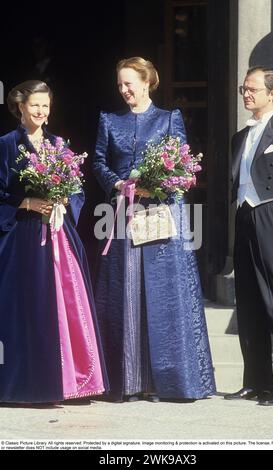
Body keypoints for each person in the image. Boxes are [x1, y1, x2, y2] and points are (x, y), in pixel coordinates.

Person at [93, 57, 216, 402]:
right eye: (120, 84)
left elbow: (182, 162)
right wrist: (118, 185)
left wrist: (159, 186)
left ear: (147, 82)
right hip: (122, 211)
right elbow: (99, 162)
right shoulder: (109, 120)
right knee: (126, 290)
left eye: (129, 83)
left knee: (163, 292)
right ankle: (128, 380)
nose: (124, 90)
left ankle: (168, 381)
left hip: (161, 212)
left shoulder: (169, 118)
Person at [0, 80, 108, 404]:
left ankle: (68, 382)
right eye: (35, 104)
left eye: (45, 106)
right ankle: (23, 384)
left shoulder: (58, 144)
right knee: (25, 307)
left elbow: (77, 187)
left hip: (57, 234)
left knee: (67, 305)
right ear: (20, 106)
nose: (41, 111)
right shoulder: (6, 144)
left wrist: (63, 201)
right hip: (22, 236)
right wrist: (26, 203)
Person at [225, 66, 273, 406]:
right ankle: (255, 379)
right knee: (249, 299)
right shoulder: (239, 137)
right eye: (243, 89)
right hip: (244, 216)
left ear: (272, 94)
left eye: (253, 89)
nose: (246, 94)